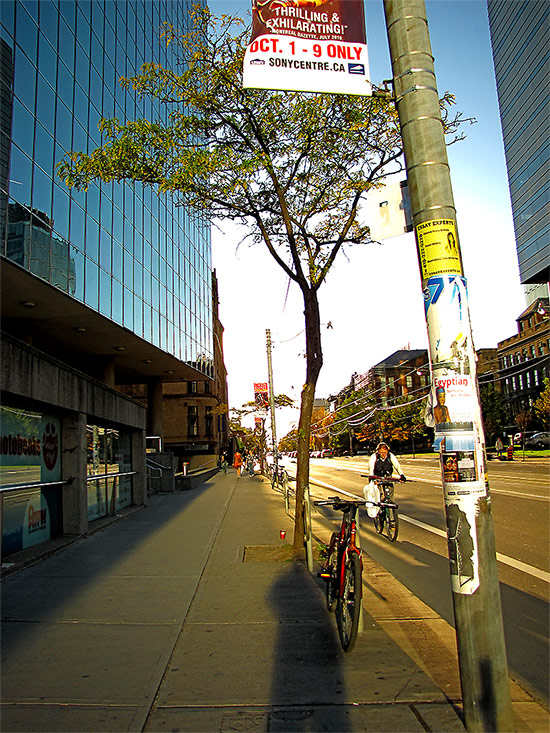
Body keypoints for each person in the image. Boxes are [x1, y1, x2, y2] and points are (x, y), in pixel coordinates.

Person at [363, 442, 406, 518]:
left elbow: (397, 465)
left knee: (390, 498)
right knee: (379, 495)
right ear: (378, 451)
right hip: (377, 477)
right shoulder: (374, 457)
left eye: (385, 452)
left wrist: (401, 475)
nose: (383, 454)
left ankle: (391, 519)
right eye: (381, 452)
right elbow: (371, 467)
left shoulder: (390, 456)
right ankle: (379, 512)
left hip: (387, 476)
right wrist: (372, 478)